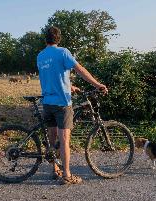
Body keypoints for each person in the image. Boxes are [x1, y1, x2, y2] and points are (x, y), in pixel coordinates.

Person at [37, 26, 108, 185]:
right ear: (58, 38)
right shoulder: (63, 52)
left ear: (46, 39)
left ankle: (55, 169)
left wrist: (70, 86)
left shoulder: (40, 56)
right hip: (62, 103)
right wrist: (97, 84)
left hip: (47, 102)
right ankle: (67, 175)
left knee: (52, 137)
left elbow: (52, 77)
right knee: (64, 140)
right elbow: (80, 69)